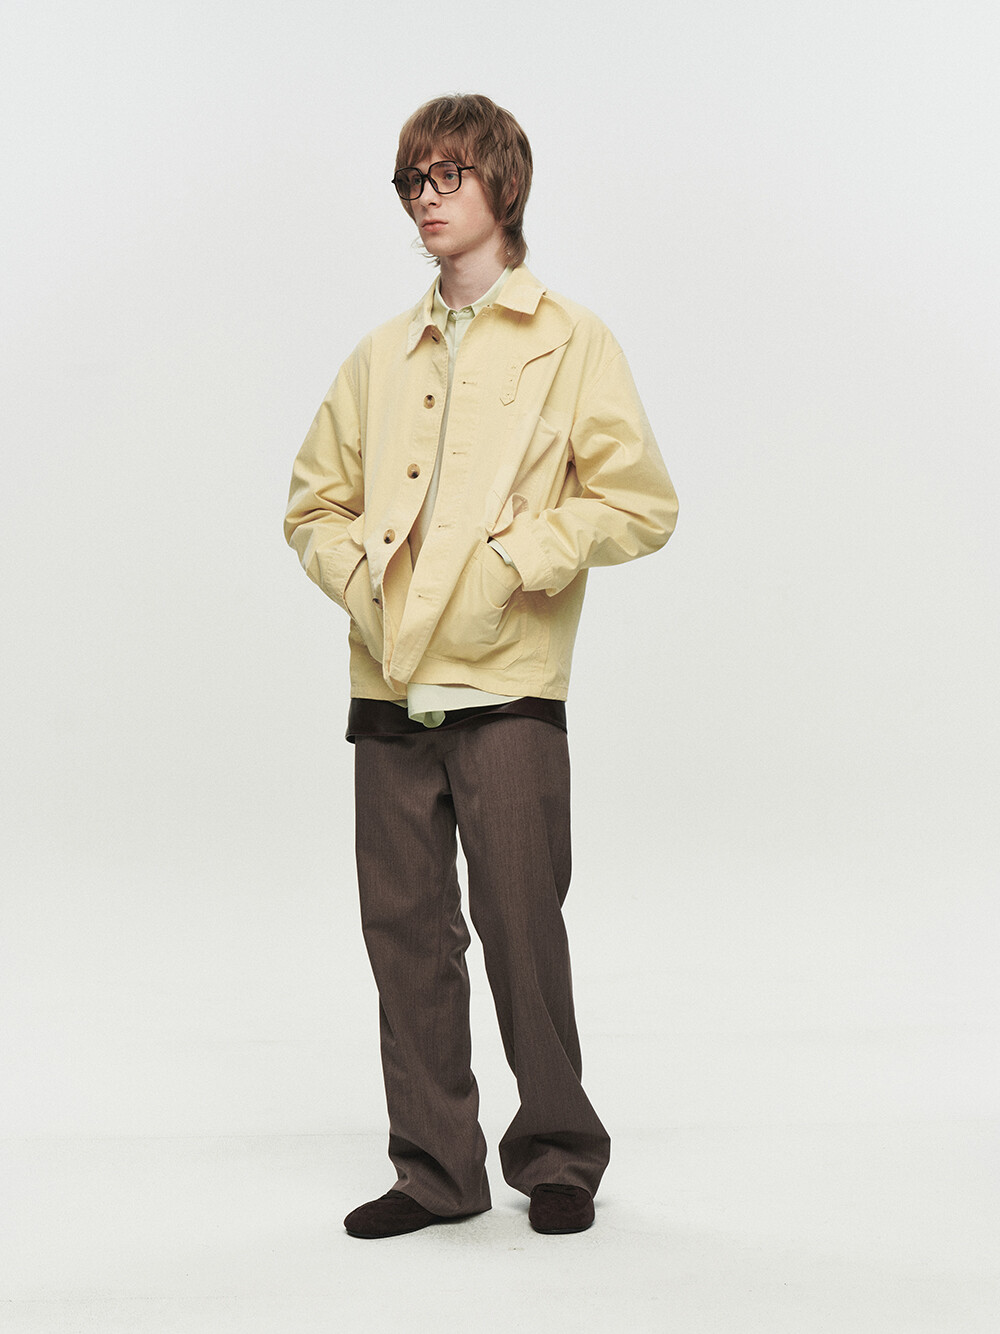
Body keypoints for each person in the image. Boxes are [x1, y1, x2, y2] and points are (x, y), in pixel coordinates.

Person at [284, 93, 678, 1239]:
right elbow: (311, 504)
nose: (424, 198)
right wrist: (360, 579)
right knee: (405, 936)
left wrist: (516, 560)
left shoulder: (571, 339)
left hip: (507, 683)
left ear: (502, 184)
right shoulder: (379, 353)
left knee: (520, 929)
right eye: (411, 180)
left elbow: (639, 503)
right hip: (387, 687)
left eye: (445, 175)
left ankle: (557, 1152)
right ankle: (435, 1170)